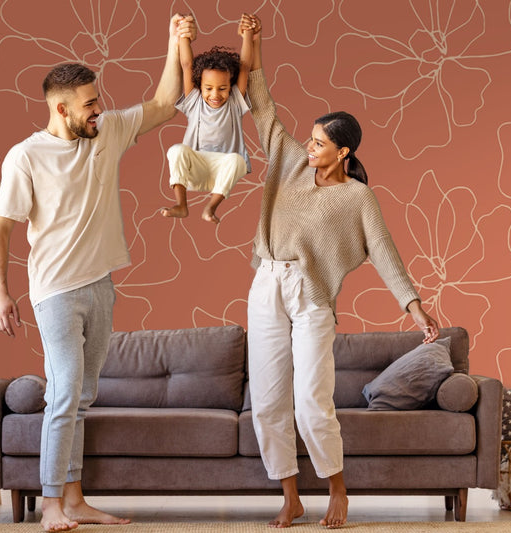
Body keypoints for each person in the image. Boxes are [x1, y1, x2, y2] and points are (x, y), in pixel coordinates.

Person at [0, 14, 196, 533]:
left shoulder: (105, 133)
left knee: (81, 397)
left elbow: (166, 102)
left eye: (98, 100)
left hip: (100, 285)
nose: (99, 109)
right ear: (61, 108)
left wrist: (174, 43)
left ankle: (75, 499)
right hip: (55, 292)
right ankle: (52, 505)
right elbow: (0, 230)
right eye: (89, 103)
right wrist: (0, 295)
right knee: (63, 395)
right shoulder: (26, 157)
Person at [245, 16, 440, 529]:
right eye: (308, 139)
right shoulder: (288, 161)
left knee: (311, 401)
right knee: (267, 402)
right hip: (267, 283)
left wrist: (414, 306)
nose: (308, 147)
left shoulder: (357, 197)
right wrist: (253, 42)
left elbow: (385, 253)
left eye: (319, 143)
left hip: (312, 299)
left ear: (343, 152)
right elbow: (261, 102)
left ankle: (337, 488)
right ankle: (289, 496)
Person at [161, 13, 256, 223]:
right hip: (194, 171)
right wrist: (183, 34)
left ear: (230, 86)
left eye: (222, 88)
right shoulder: (194, 101)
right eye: (208, 88)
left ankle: (211, 207)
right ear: (199, 86)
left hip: (223, 173)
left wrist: (247, 35)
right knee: (175, 150)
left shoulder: (234, 103)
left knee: (237, 160)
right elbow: (186, 64)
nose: (215, 95)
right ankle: (181, 204)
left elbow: (245, 66)